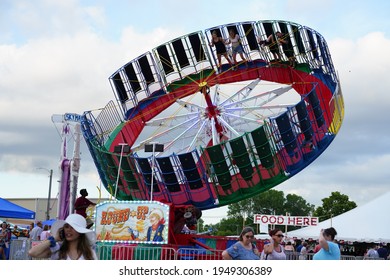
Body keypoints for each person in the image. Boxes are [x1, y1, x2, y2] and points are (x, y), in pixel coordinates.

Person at [28, 213, 97, 260]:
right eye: (66, 227)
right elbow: (32, 252)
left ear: (80, 232)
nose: (68, 230)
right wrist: (54, 239)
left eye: (73, 227)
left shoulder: (89, 253)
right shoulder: (57, 249)